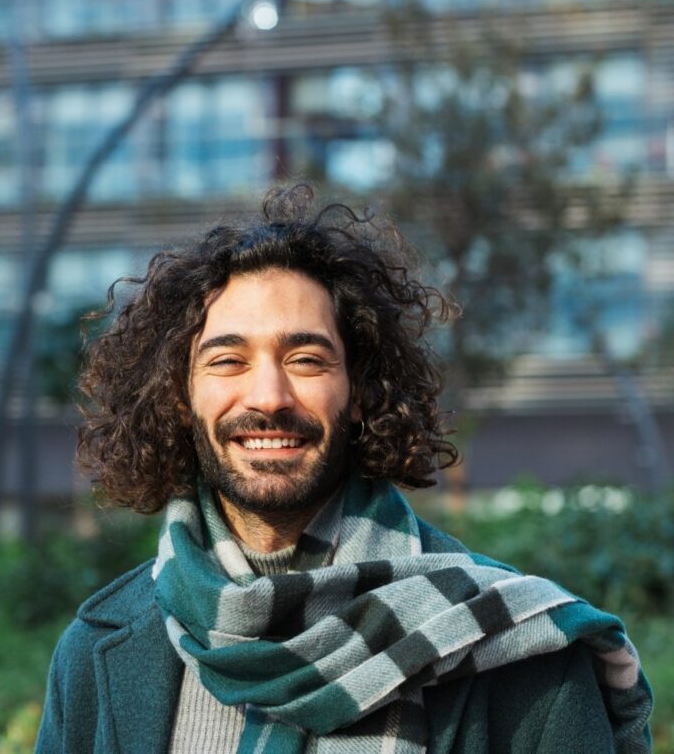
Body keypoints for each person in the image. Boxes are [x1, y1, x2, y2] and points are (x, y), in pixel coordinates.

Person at [36, 185, 652, 754]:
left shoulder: (524, 655)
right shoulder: (94, 653)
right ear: (180, 396)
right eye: (227, 361)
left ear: (358, 391)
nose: (269, 396)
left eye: (306, 359)